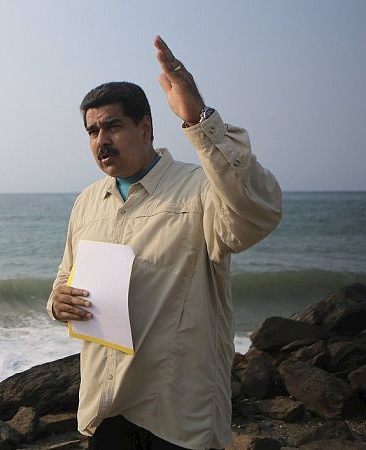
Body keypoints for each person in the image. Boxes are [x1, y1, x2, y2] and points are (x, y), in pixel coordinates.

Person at [46, 36, 282, 449]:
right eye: (92, 130)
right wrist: (57, 303)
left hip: (177, 410)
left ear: (146, 127)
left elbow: (258, 212)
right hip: (107, 405)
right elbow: (65, 276)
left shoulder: (200, 189)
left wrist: (200, 119)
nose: (101, 140)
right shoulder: (87, 201)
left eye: (113, 126)